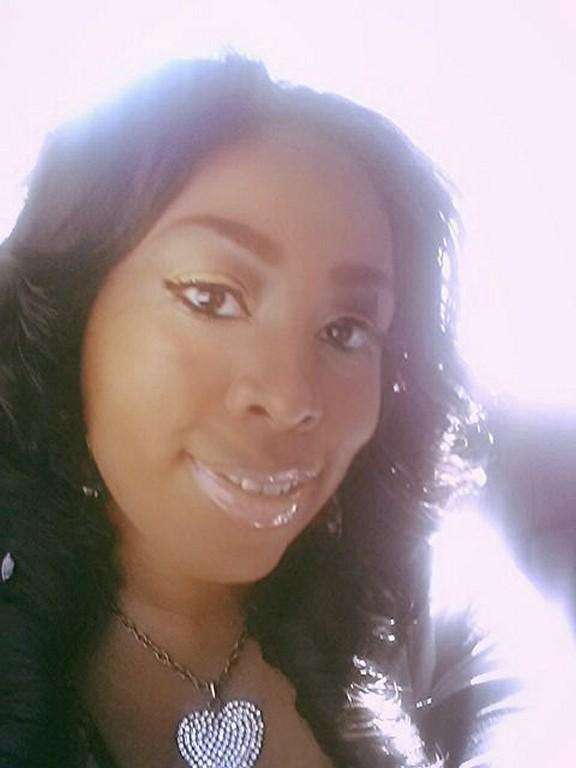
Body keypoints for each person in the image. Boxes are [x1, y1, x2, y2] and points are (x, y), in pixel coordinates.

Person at [0, 55, 571, 768]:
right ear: (68, 318)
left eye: (346, 331)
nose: (292, 398)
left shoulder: (434, 626)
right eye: (212, 298)